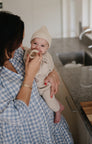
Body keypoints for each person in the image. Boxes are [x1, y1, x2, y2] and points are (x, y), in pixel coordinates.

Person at [0, 11, 74, 144]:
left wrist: (52, 73)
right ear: (6, 43)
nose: (21, 44)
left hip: (49, 126)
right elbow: (16, 116)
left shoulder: (16, 53)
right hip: (26, 137)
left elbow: (44, 61)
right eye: (19, 40)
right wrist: (29, 75)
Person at [23, 26, 64, 123]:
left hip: (44, 86)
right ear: (30, 43)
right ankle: (59, 105)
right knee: (48, 100)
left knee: (49, 100)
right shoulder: (29, 53)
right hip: (34, 86)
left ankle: (58, 110)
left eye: (42, 46)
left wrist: (50, 73)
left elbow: (51, 68)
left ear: (47, 47)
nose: (37, 47)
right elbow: (25, 63)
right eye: (35, 43)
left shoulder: (47, 56)